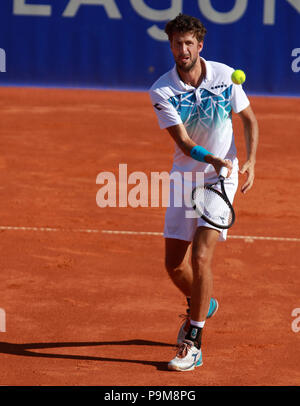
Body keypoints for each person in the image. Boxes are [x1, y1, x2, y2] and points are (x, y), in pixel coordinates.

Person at [149, 13, 258, 371]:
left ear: (200, 45)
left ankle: (193, 342)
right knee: (173, 265)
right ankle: (203, 302)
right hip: (186, 176)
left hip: (221, 177)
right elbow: (182, 141)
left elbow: (249, 120)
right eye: (176, 43)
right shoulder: (162, 90)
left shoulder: (226, 77)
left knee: (201, 257)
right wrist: (207, 156)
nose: (182, 49)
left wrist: (250, 161)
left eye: (188, 43)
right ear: (171, 46)